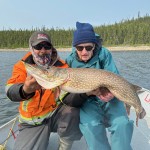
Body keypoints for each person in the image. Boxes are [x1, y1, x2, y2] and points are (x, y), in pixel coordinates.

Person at [5, 31, 82, 150]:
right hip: (32, 122)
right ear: (31, 48)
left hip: (56, 115)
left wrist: (87, 92)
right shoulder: (23, 66)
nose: (42, 50)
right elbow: (10, 91)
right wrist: (24, 90)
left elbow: (69, 98)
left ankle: (64, 147)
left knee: (73, 112)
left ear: (51, 48)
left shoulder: (62, 67)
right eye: (38, 46)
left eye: (47, 46)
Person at [65, 22, 134, 150]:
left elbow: (114, 77)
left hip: (110, 96)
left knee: (121, 124)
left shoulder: (104, 54)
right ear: (75, 47)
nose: (84, 52)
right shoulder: (69, 61)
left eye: (88, 48)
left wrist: (110, 93)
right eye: (80, 48)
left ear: (94, 45)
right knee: (90, 126)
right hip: (88, 100)